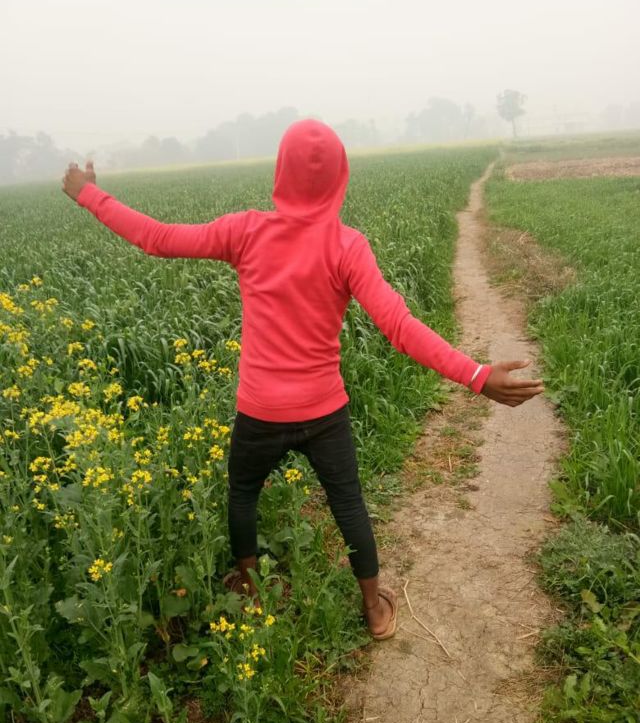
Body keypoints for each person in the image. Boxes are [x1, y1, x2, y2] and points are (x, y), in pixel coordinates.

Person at [62, 119, 544, 640]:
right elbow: (400, 328)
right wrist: (475, 374)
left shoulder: (246, 231)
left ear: (281, 172)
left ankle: (250, 589)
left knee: (243, 493)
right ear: (340, 177)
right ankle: (374, 607)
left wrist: (89, 194)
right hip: (324, 411)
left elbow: (156, 238)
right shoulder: (347, 246)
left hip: (260, 410)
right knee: (348, 503)